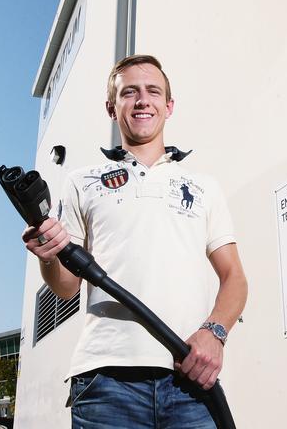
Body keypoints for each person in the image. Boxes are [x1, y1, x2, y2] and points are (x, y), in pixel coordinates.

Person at [23, 55, 247, 428]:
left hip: (189, 378)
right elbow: (66, 287)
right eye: (130, 92)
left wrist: (215, 334)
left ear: (168, 106)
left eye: (152, 91)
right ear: (112, 107)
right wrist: (49, 257)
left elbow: (235, 278)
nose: (142, 100)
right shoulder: (83, 181)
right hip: (106, 382)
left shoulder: (203, 187)